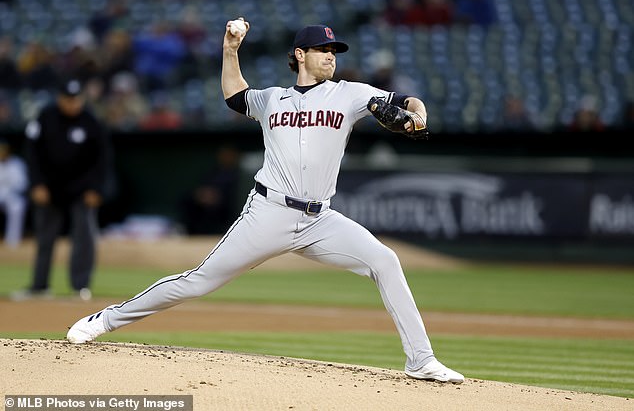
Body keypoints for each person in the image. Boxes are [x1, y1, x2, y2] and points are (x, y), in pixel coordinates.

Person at [67, 21, 464, 384]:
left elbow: (411, 103)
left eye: (334, 51)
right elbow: (235, 96)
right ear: (299, 55)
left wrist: (417, 119)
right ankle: (105, 320)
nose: (331, 56)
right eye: (323, 49)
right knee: (198, 281)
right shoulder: (272, 99)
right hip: (268, 213)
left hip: (320, 220)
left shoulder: (351, 94)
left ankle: (421, 361)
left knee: (385, 260)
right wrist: (230, 49)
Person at [11, 78, 111, 301]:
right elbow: (32, 153)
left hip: (81, 189)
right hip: (49, 188)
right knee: (45, 238)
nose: (72, 103)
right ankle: (39, 286)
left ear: (82, 99)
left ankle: (80, 287)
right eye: (68, 99)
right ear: (60, 98)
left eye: (76, 99)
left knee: (84, 237)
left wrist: (96, 188)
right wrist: (36, 184)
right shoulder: (46, 117)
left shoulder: (91, 121)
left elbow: (102, 159)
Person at [0, 138, 28, 248]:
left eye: (3, 151)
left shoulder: (17, 163)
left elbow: (22, 184)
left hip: (11, 195)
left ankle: (12, 240)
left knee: (17, 206)